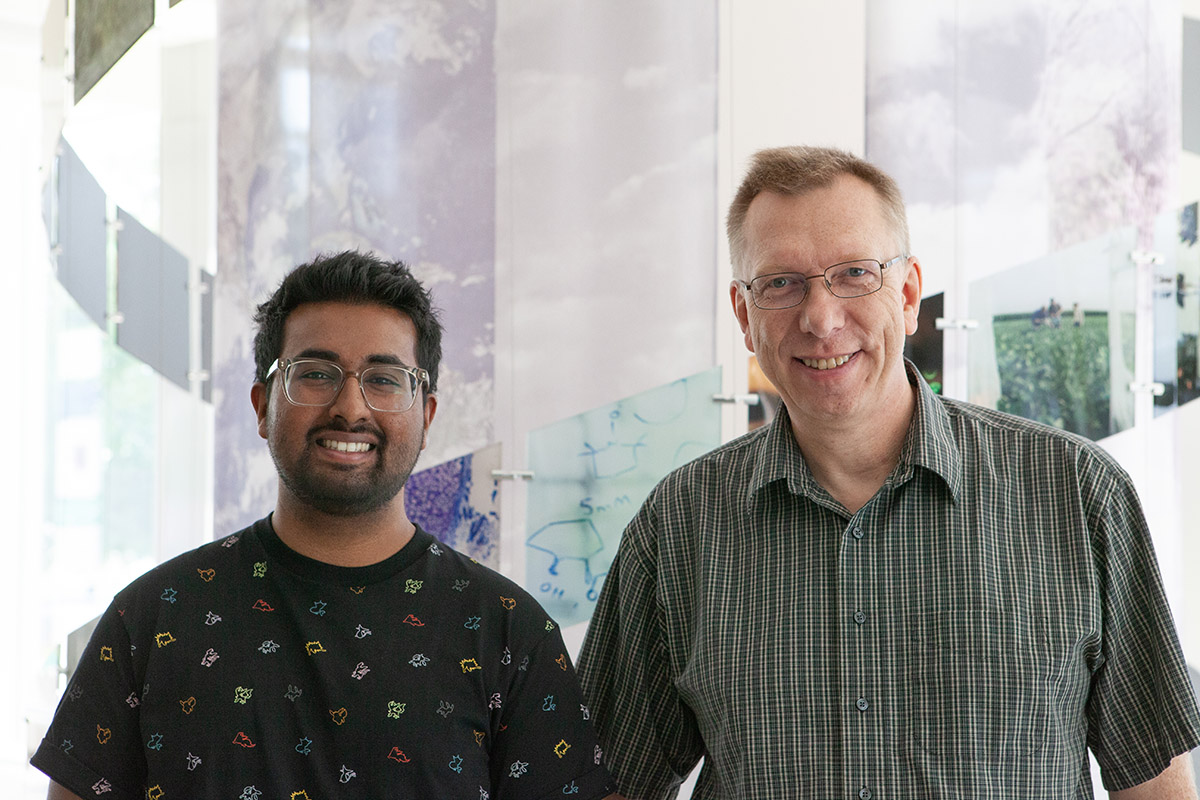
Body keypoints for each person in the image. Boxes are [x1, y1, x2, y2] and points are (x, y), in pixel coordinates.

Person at [577, 146, 1200, 799]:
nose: (820, 318)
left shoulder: (1077, 492)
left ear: (907, 295)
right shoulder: (679, 524)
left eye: (854, 273)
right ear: (744, 315)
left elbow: (1155, 786)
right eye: (782, 283)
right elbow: (613, 786)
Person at [33, 251, 615, 800]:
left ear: (427, 415)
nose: (351, 407)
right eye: (316, 373)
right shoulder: (152, 619)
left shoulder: (509, 635)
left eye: (384, 380)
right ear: (263, 406)